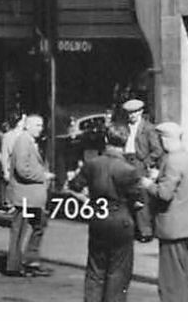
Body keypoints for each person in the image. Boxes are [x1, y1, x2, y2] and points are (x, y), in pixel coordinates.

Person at [65, 122, 141, 301]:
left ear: (106, 139)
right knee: (118, 272)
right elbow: (138, 201)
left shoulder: (92, 164)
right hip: (121, 221)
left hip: (98, 219)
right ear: (125, 141)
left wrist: (89, 203)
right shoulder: (129, 170)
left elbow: (73, 187)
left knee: (95, 269)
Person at [141, 121, 188, 301]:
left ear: (165, 140)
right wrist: (159, 178)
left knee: (170, 285)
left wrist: (149, 185)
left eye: (160, 140)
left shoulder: (172, 160)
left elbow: (164, 194)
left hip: (174, 231)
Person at [3, 113, 54, 278]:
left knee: (38, 226)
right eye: (37, 125)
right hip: (25, 197)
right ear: (27, 126)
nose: (41, 128)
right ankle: (16, 265)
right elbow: (22, 169)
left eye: (41, 125)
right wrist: (43, 175)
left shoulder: (28, 141)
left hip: (31, 197)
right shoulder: (23, 142)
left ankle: (29, 261)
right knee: (21, 230)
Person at [120, 97, 163, 242]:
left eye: (135, 113)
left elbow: (157, 150)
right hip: (126, 160)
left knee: (141, 197)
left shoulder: (149, 128)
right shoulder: (124, 127)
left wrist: (145, 163)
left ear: (141, 112)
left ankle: (145, 231)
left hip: (139, 163)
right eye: (129, 113)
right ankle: (131, 229)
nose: (132, 116)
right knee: (128, 196)